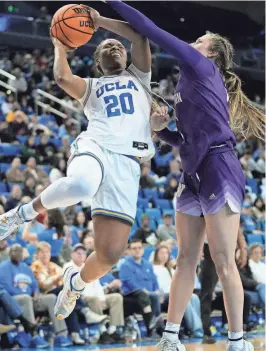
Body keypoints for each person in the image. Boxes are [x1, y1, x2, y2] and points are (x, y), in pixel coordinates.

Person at [105, 2, 265, 351]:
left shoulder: (201, 66)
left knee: (223, 261)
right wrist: (162, 131)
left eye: (199, 40)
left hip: (219, 168)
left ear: (212, 54)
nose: (192, 43)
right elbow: (184, 140)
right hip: (193, 171)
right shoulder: (190, 80)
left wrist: (110, 4)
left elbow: (150, 29)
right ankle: (170, 338)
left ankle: (237, 341)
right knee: (186, 258)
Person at [0, 7, 159, 325]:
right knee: (82, 186)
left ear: (125, 58)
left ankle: (74, 284)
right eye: (106, 47)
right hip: (95, 148)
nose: (114, 46)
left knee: (109, 256)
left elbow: (139, 35)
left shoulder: (139, 77)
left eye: (116, 46)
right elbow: (61, 77)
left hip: (127, 166)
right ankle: (19, 215)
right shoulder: (92, 88)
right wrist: (59, 45)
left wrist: (100, 23)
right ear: (99, 64)